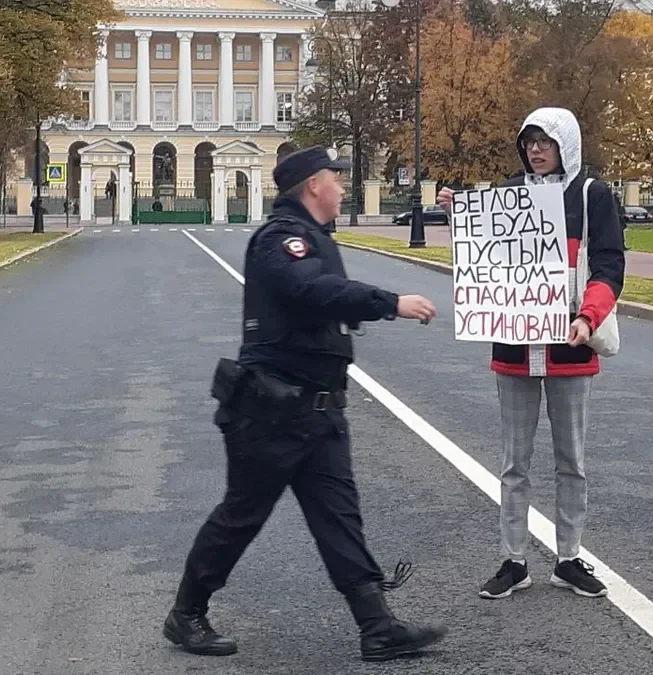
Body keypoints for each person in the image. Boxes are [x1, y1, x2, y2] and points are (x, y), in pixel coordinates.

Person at [163, 145, 448, 662]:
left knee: (339, 517)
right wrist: (390, 304)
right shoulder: (283, 240)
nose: (342, 187)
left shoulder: (311, 237)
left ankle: (377, 626)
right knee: (241, 515)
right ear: (314, 185)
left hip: (318, 411)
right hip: (272, 412)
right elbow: (311, 291)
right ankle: (186, 614)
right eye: (336, 180)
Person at [438, 107, 625, 601]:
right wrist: (462, 214)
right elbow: (486, 259)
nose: (536, 150)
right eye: (529, 142)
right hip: (515, 346)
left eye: (545, 141)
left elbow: (609, 268)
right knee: (513, 462)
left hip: (571, 347)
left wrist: (588, 317)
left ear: (566, 144)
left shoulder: (592, 197)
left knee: (572, 461)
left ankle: (569, 558)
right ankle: (514, 560)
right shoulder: (507, 195)